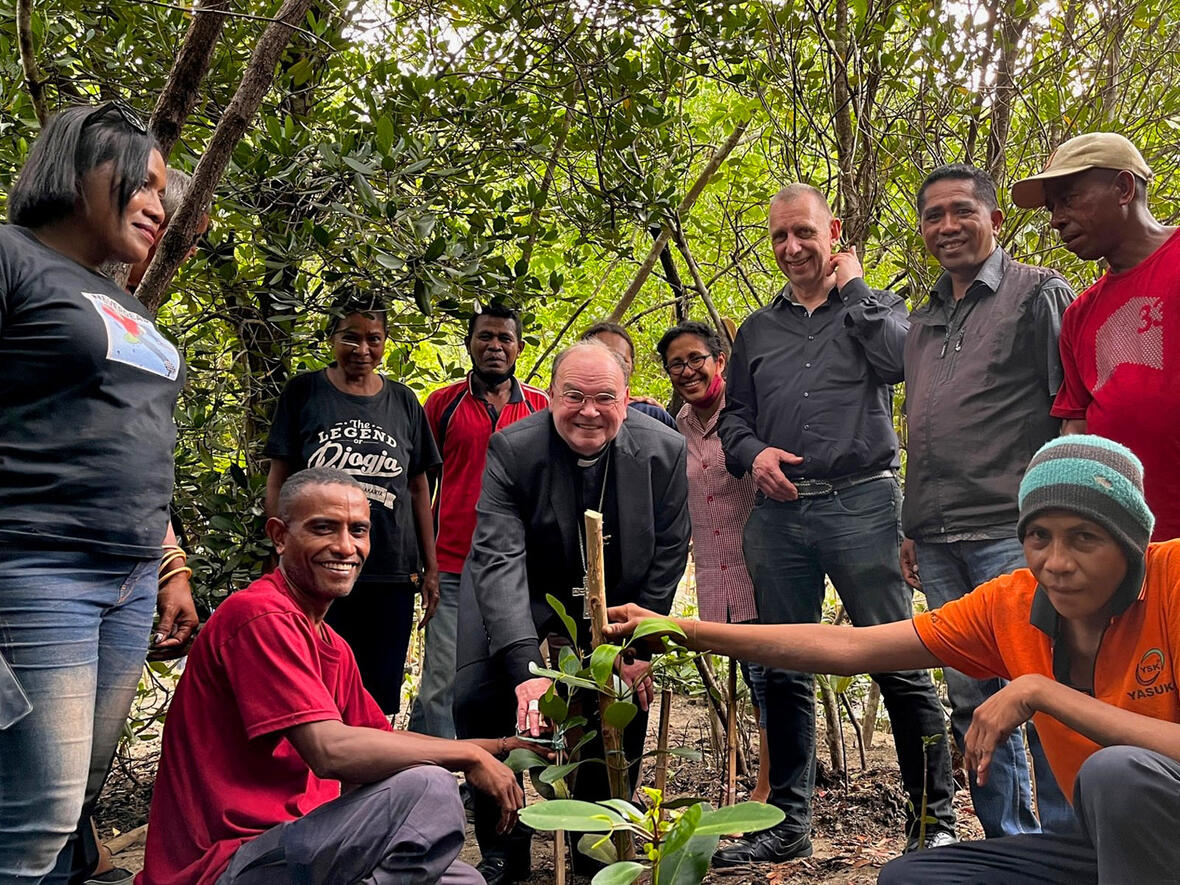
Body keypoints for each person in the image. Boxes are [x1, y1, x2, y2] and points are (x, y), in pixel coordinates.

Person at [609, 435, 1180, 884]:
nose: (1056, 562)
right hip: (1105, 850)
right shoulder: (1011, 603)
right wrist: (686, 629)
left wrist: (1042, 691)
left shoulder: (1172, 579)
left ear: (1130, 542)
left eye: (1084, 539)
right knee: (916, 876)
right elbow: (853, 647)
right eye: (1039, 537)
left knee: (1117, 772)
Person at [138, 469, 533, 885]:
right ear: (280, 536)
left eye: (358, 530)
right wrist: (467, 757)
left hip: (302, 847)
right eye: (323, 529)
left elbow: (383, 742)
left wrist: (500, 745)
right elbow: (328, 751)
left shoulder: (332, 645)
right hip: (227, 863)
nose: (345, 547)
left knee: (464, 882)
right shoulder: (260, 616)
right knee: (430, 787)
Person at [717, 183, 956, 864]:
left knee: (898, 659)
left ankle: (931, 823)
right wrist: (753, 452)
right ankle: (787, 824)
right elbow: (735, 418)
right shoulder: (758, 330)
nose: (791, 249)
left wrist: (855, 293)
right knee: (784, 666)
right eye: (778, 237)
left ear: (834, 232)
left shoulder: (878, 309)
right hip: (780, 515)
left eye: (803, 233)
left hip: (862, 505)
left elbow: (899, 365)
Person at [0, 103, 197, 883]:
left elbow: (137, 436)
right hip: (37, 565)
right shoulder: (9, 257)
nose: (158, 204)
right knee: (35, 808)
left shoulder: (127, 305)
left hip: (130, 578)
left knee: (75, 797)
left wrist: (172, 562)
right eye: (142, 184)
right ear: (79, 171)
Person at [453, 340, 690, 884]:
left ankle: (597, 850)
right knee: (480, 696)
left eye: (604, 397)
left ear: (627, 401)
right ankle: (503, 851)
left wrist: (638, 647)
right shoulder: (513, 449)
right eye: (574, 395)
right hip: (520, 590)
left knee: (619, 699)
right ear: (550, 397)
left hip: (617, 598)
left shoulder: (664, 451)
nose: (589, 411)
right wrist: (523, 671)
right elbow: (499, 559)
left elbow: (671, 549)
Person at [900, 163, 1076, 836]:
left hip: (1014, 528)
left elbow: (1071, 410)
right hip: (939, 537)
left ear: (995, 220)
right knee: (971, 696)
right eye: (933, 215)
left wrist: (1059, 520)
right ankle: (1010, 843)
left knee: (1043, 687)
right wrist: (914, 523)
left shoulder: (1038, 295)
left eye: (961, 211)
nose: (947, 226)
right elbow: (924, 427)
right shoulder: (923, 318)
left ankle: (1067, 844)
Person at [264, 292, 441, 714]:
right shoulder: (304, 392)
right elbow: (279, 478)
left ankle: (370, 778)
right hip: (317, 566)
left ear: (386, 342)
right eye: (351, 337)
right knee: (311, 688)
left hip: (389, 571)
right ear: (332, 338)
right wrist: (279, 547)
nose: (363, 350)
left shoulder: (403, 402)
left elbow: (419, 489)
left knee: (376, 696)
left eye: (374, 339)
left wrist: (429, 567)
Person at [1011, 132, 1179, 541]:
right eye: (1051, 208)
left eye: (1068, 199)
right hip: (1127, 547)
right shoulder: (1079, 314)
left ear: (1123, 188)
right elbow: (1077, 423)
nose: (1055, 219)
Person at [408, 303, 549, 740]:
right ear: (469, 344)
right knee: (442, 680)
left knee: (505, 677)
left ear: (519, 348)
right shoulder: (442, 404)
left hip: (518, 570)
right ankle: (440, 781)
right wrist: (425, 564)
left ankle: (487, 777)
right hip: (452, 566)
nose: (494, 346)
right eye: (485, 337)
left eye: (504, 338)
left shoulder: (541, 407)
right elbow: (421, 486)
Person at [657, 319, 770, 803]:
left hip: (764, 575)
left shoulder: (749, 414)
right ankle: (768, 792)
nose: (687, 371)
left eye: (696, 359)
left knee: (774, 691)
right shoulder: (674, 427)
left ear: (720, 361)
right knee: (755, 684)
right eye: (676, 364)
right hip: (716, 583)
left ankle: (770, 795)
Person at [581, 321, 677, 428]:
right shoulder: (565, 412)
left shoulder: (651, 414)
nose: (611, 366)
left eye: (621, 360)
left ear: (632, 367)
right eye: (601, 357)